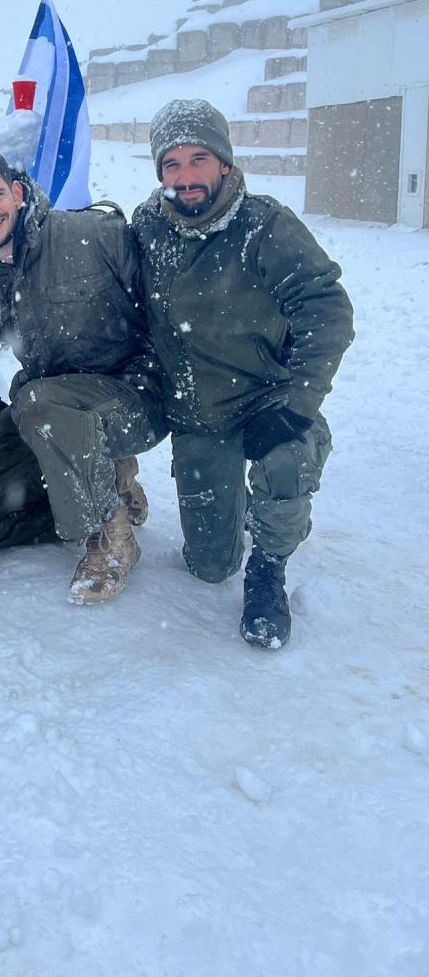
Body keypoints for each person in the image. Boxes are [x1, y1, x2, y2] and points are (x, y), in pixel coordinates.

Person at [132, 99, 354, 649]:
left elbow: (327, 310)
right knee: (210, 566)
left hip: (266, 399)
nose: (186, 177)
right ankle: (247, 522)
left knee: (286, 462)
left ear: (225, 163)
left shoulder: (264, 224)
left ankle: (269, 567)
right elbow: (91, 268)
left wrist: (297, 404)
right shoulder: (146, 227)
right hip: (198, 412)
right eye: (172, 164)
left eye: (199, 159)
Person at [0, 146, 166, 604]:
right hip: (46, 413)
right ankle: (106, 481)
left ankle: (111, 537)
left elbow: (165, 308)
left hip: (134, 398)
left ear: (17, 192)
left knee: (39, 404)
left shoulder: (92, 234)